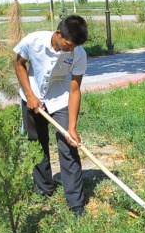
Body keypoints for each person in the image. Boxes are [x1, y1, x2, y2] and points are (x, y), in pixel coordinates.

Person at [14, 15, 89, 217]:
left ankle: (76, 203)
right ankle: (43, 188)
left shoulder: (78, 53)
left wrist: (72, 127)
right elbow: (19, 64)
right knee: (36, 142)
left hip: (60, 99)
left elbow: (75, 91)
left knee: (68, 147)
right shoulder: (33, 41)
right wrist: (30, 95)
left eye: (75, 46)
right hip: (32, 96)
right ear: (58, 34)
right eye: (69, 44)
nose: (71, 49)